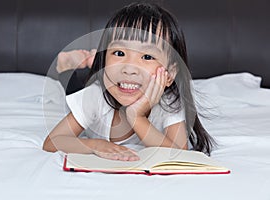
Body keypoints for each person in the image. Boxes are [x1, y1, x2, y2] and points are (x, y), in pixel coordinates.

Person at [43, 2, 214, 161]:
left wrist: (137, 117)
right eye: (119, 53)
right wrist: (95, 145)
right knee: (74, 88)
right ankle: (66, 66)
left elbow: (179, 154)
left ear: (170, 74)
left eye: (147, 56)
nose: (129, 68)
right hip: (97, 88)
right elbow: (52, 142)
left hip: (113, 82)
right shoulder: (95, 96)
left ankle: (96, 58)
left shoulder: (169, 101)